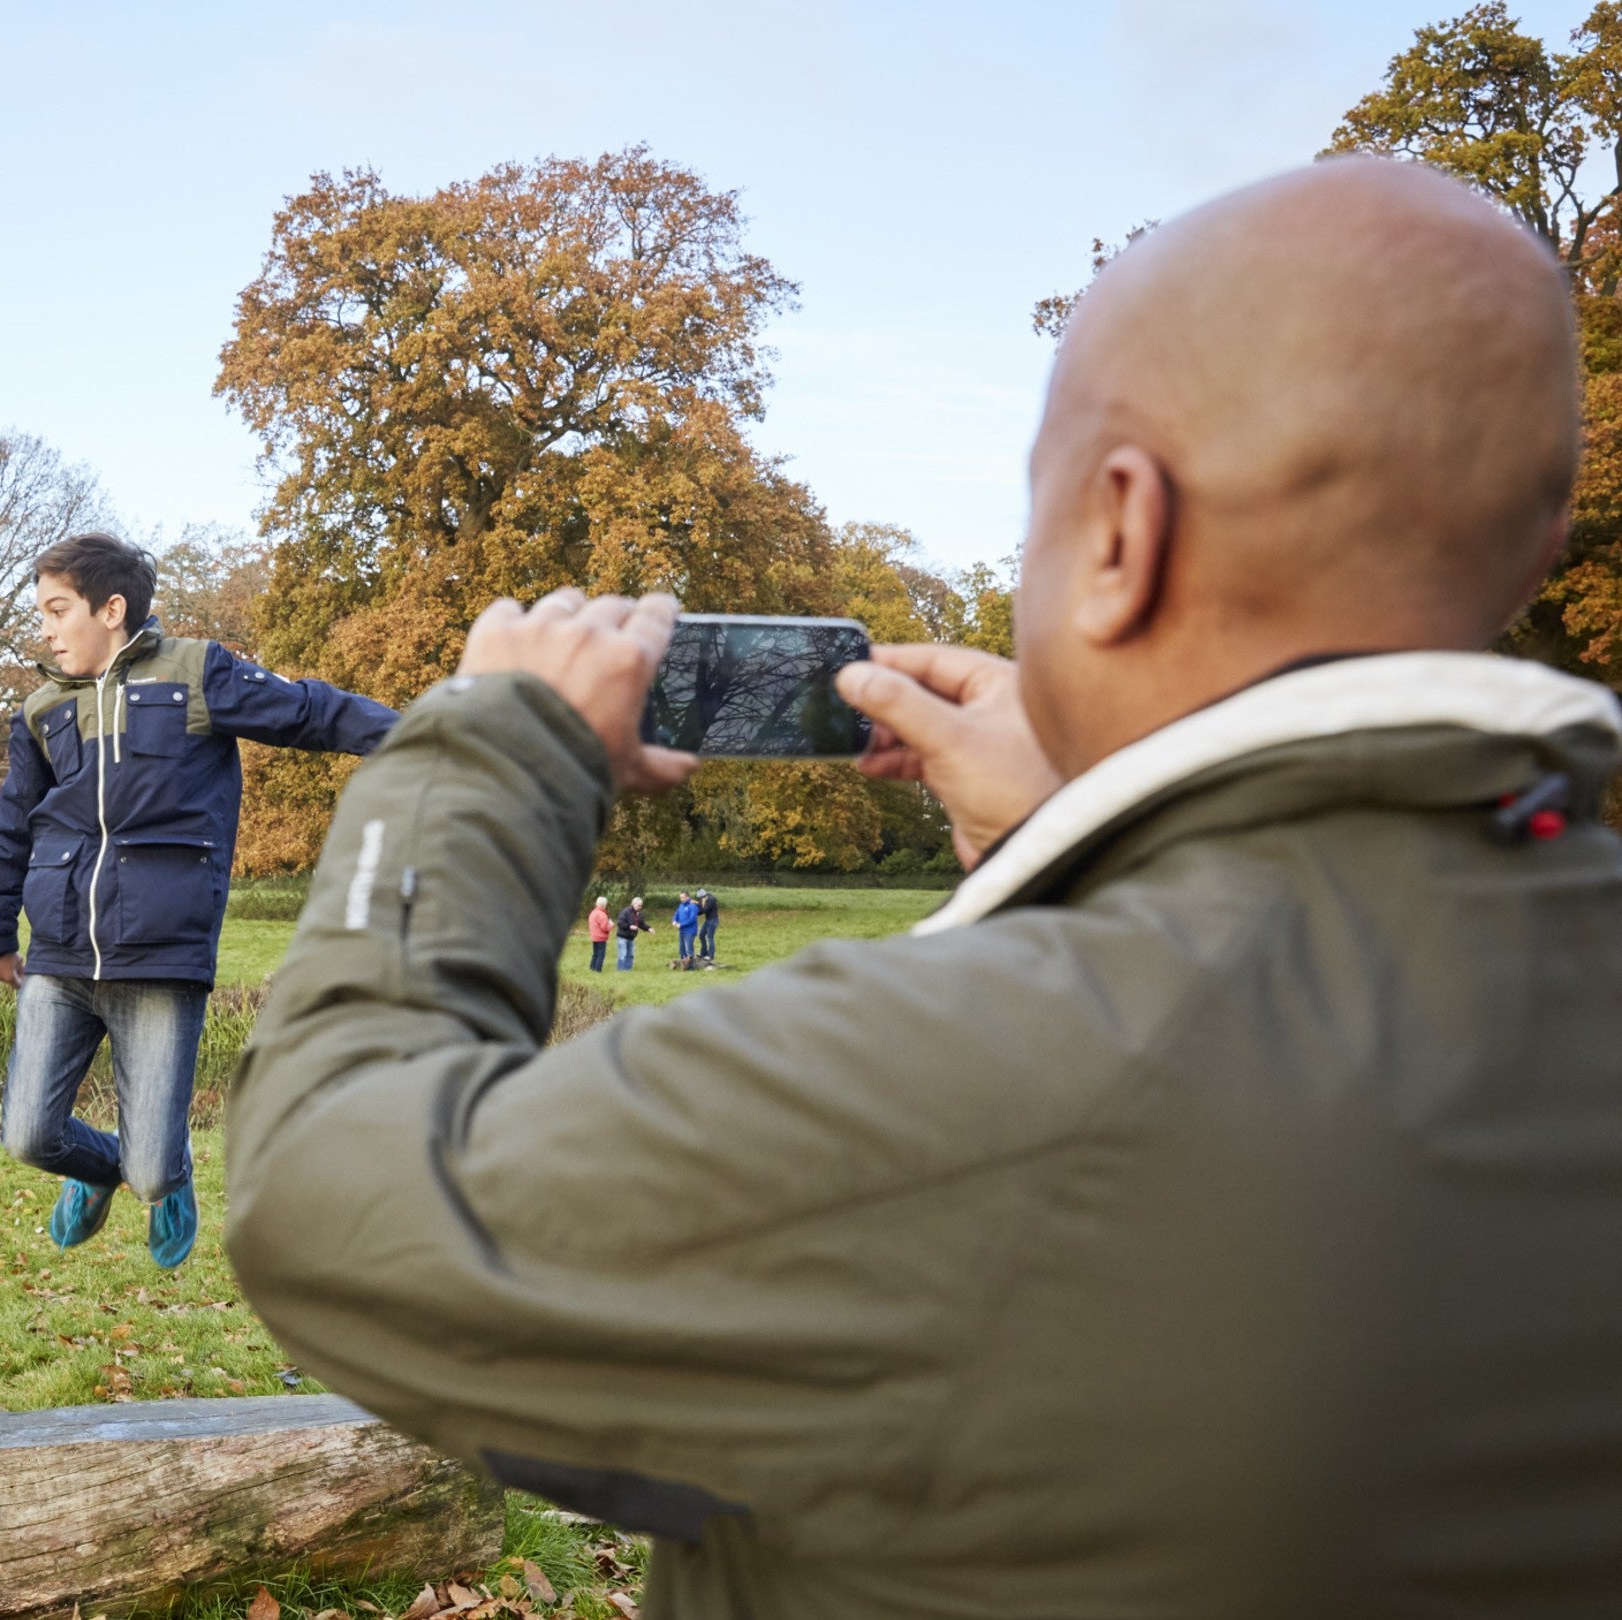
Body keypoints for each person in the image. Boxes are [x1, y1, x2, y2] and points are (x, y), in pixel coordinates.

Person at [224, 158, 1622, 1614]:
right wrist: (1087, 842)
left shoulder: (953, 1090)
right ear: (1532, 545)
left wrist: (489, 756)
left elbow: (334, 1192)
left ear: (1124, 533)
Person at [0, 532, 397, 1271]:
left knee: (152, 1170)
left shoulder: (195, 674)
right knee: (28, 1136)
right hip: (63, 955)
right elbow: (12, 826)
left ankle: (161, 1176)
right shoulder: (42, 710)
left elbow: (311, 713)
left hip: (160, 956)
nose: (43, 627)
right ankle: (94, 1167)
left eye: (56, 608)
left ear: (110, 609)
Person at [616, 896, 645, 971]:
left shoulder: (638, 913)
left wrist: (649, 928)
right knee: (623, 955)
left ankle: (628, 969)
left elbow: (641, 924)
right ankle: (621, 970)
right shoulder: (625, 911)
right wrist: (629, 927)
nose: (640, 907)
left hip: (631, 937)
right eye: (639, 905)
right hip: (623, 937)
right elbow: (620, 922)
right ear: (634, 904)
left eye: (641, 905)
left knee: (630, 955)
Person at [586, 897, 614, 971]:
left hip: (594, 936)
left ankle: (592, 968)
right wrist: (610, 924)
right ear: (604, 905)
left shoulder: (592, 912)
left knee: (595, 954)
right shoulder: (602, 914)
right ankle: (597, 970)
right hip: (601, 938)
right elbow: (604, 927)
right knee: (601, 955)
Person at [672, 890, 699, 969]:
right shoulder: (681, 905)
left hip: (690, 931)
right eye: (680, 898)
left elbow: (692, 919)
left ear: (687, 897)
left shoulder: (693, 906)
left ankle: (691, 967)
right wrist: (674, 921)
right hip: (682, 931)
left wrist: (681, 924)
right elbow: (676, 914)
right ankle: (683, 966)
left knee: (689, 950)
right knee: (682, 949)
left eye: (683, 897)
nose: (681, 899)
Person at [695, 886, 721, 965]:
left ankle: (710, 955)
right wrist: (695, 912)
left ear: (704, 895)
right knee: (701, 935)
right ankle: (703, 953)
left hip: (713, 920)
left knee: (710, 937)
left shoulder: (710, 900)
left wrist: (697, 903)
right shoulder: (704, 900)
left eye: (701, 897)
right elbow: (701, 911)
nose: (701, 899)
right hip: (708, 920)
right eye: (700, 898)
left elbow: (705, 909)